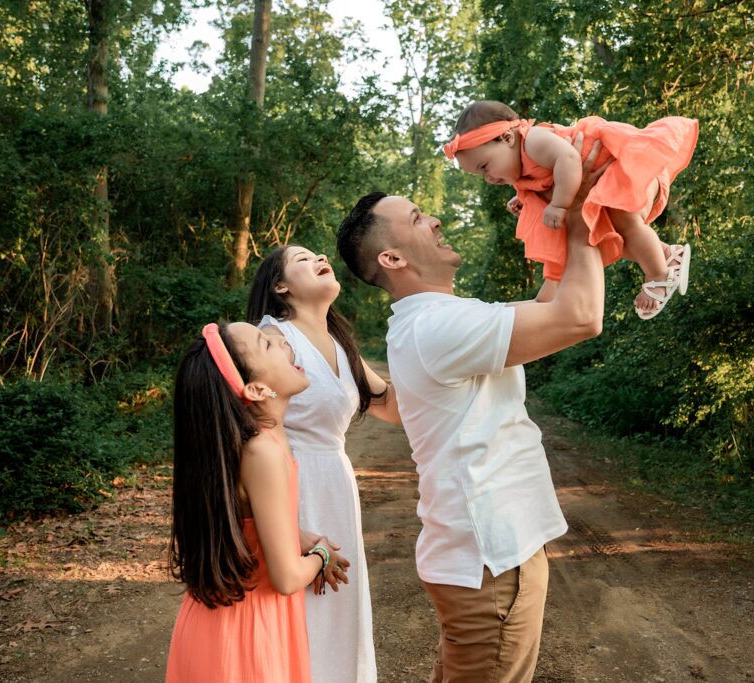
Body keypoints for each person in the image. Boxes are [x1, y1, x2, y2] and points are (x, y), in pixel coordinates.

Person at [336, 134, 607, 682]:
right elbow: (582, 316)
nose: (433, 219)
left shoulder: (439, 318)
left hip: (486, 556)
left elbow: (549, 305)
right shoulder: (439, 326)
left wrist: (546, 211)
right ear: (392, 258)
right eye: (416, 218)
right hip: (492, 562)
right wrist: (582, 214)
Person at [247, 245, 401, 683]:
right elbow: (246, 427)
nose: (318, 258)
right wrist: (289, 529)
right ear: (281, 286)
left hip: (335, 483)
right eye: (302, 259)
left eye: (319, 254)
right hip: (289, 487)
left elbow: (392, 407)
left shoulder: (340, 343)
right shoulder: (273, 339)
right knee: (300, 614)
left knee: (337, 612)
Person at [166, 321, 350, 682]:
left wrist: (295, 536)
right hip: (247, 636)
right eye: (268, 345)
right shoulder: (262, 449)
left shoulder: (260, 437)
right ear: (257, 388)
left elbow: (243, 517)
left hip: (218, 624)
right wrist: (323, 553)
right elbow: (286, 577)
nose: (283, 342)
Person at [444, 99, 698, 319]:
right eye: (480, 174)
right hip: (601, 188)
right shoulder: (522, 164)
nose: (487, 177)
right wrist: (524, 198)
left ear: (508, 138)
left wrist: (559, 204)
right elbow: (543, 180)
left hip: (618, 169)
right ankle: (667, 253)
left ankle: (657, 274)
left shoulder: (533, 140)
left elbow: (567, 159)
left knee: (627, 225)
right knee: (616, 241)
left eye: (485, 166)